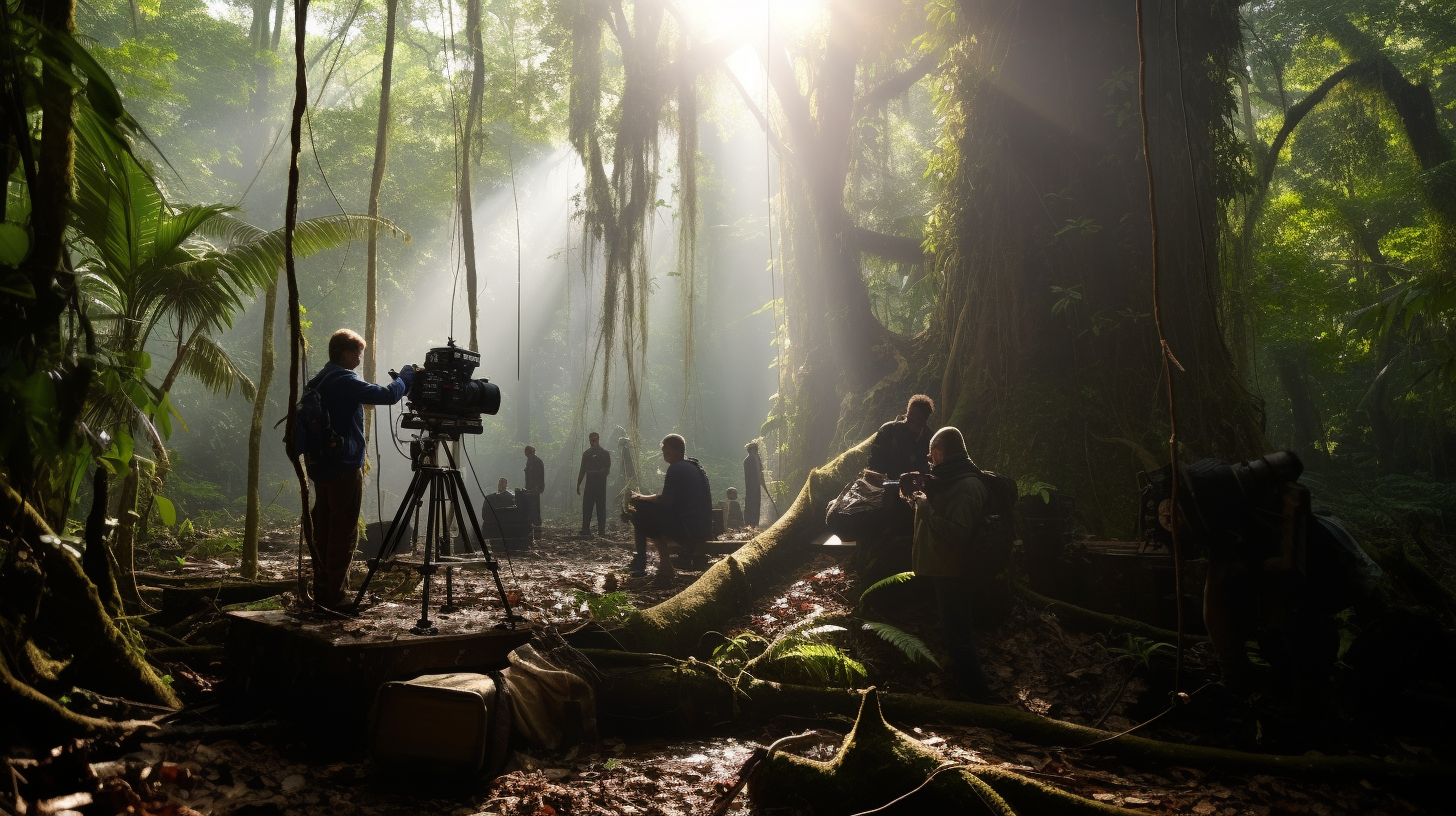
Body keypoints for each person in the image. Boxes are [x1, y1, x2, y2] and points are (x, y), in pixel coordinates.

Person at [303, 328, 413, 610]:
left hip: (319, 466)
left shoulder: (318, 380)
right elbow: (388, 395)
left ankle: (322, 590)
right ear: (344, 352)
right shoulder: (344, 380)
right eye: (357, 353)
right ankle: (337, 597)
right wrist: (406, 379)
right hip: (343, 466)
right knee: (343, 530)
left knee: (324, 528)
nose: (360, 358)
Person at [901, 426, 1000, 703]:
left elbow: (957, 532)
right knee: (954, 631)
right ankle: (967, 688)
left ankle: (980, 697)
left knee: (958, 634)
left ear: (939, 452)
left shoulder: (967, 485)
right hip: (945, 567)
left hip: (955, 571)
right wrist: (918, 496)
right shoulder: (951, 479)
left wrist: (926, 508)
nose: (931, 461)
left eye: (933, 455)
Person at [627, 434, 712, 582]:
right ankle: (652, 561)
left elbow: (665, 502)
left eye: (665, 449)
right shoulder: (693, 466)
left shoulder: (676, 468)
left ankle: (648, 562)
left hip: (688, 531)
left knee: (638, 510)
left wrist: (639, 498)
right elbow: (673, 500)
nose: (663, 452)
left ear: (675, 450)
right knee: (642, 506)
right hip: (701, 529)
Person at [869, 395, 935, 481]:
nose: (915, 425)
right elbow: (874, 467)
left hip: (917, 488)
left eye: (920, 421)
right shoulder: (889, 431)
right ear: (908, 413)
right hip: (889, 485)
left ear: (926, 419)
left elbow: (929, 467)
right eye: (913, 417)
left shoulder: (928, 437)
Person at [577, 432, 611, 537]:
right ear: (589, 440)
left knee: (601, 507)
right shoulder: (586, 454)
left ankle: (601, 531)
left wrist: (596, 472)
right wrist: (578, 483)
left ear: (598, 439)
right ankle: (585, 528)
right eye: (591, 439)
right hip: (590, 485)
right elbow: (582, 469)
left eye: (595, 439)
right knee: (587, 507)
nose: (593, 441)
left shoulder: (605, 453)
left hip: (600, 485)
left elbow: (607, 469)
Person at [522, 445, 545, 539]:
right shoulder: (529, 462)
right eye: (526, 452)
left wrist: (538, 488)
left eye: (529, 452)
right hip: (529, 489)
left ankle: (537, 532)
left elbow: (540, 476)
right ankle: (531, 532)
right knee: (530, 510)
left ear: (533, 452)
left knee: (535, 510)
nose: (527, 454)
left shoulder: (537, 461)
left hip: (535, 489)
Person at [743, 442, 764, 528]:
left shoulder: (755, 458)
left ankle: (754, 523)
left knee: (755, 503)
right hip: (752, 485)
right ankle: (751, 522)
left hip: (755, 485)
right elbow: (758, 472)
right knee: (752, 503)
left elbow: (760, 471)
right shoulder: (749, 460)